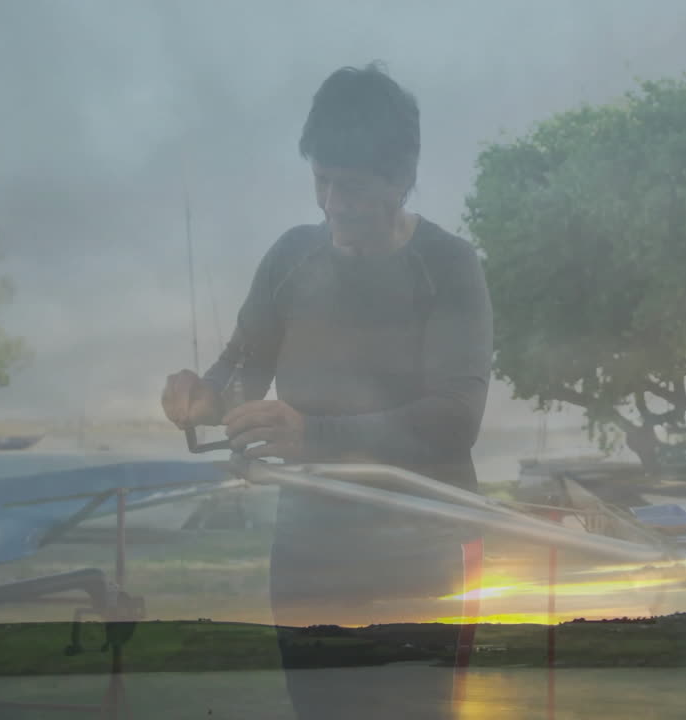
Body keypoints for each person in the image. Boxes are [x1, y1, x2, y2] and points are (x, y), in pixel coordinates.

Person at [160, 62, 493, 718]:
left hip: (423, 548)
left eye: (354, 186)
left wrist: (313, 434)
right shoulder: (292, 257)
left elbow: (456, 417)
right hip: (310, 549)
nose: (334, 203)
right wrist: (205, 397)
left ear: (401, 176)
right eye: (322, 181)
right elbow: (241, 368)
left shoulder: (448, 266)